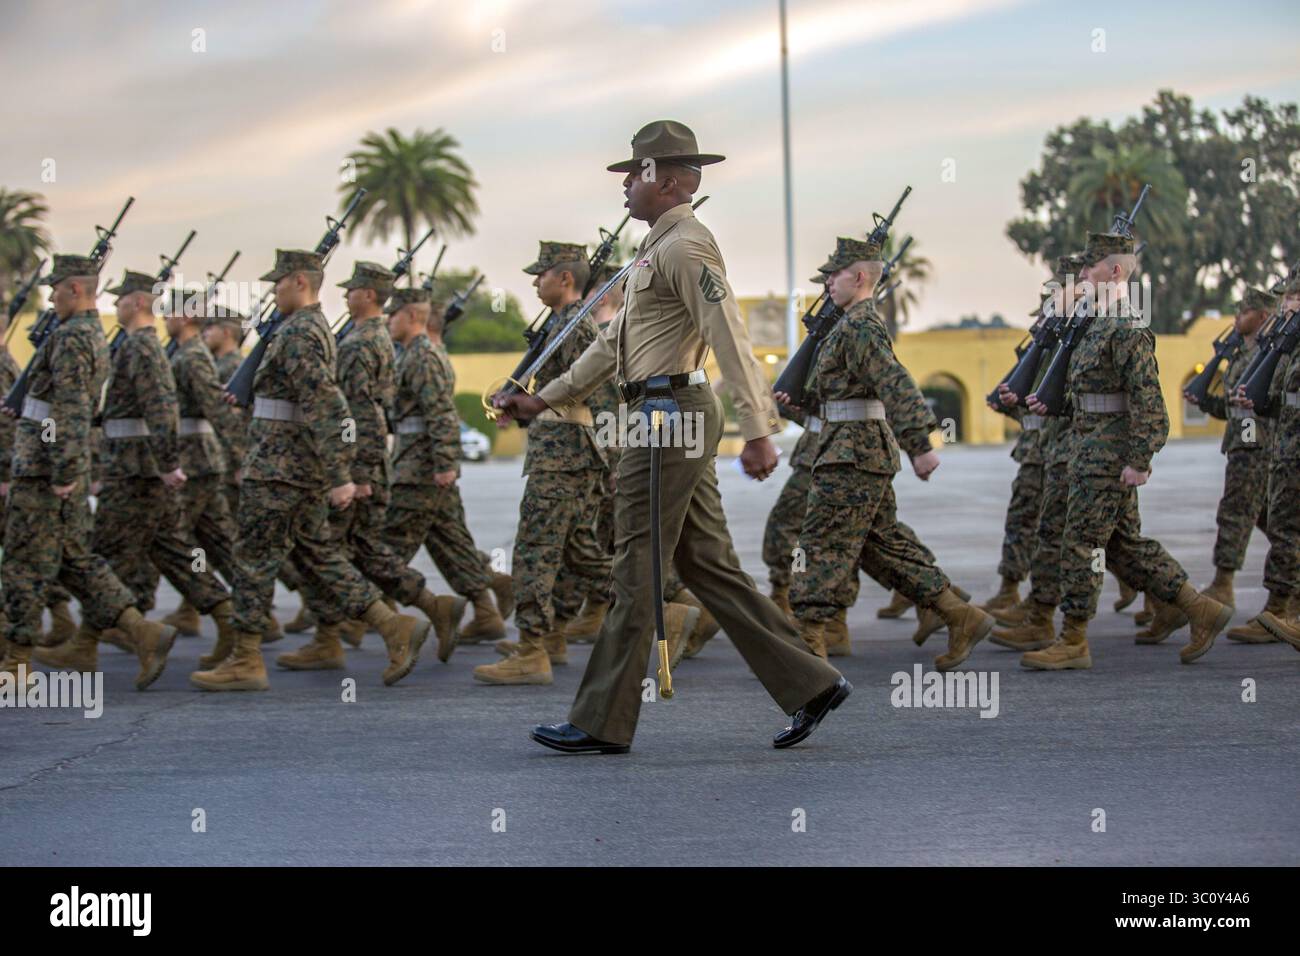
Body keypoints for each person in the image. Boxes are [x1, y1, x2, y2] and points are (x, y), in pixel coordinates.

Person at [494, 120, 848, 753]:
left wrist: (758, 428)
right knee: (706, 564)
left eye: (638, 172)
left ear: (671, 180)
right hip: (663, 414)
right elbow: (610, 347)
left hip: (668, 418)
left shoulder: (686, 247)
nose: (627, 183)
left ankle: (600, 720)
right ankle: (812, 683)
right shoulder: (653, 252)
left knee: (635, 564)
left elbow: (729, 333)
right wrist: (541, 397)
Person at [189, 249, 430, 691]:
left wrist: (341, 474)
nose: (273, 289)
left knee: (253, 557)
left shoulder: (300, 330)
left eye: (279, 282)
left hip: (281, 467)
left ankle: (246, 658)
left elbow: (326, 403)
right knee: (317, 555)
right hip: (290, 464)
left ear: (300, 282)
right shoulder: (304, 327)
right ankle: (392, 625)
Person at [775, 237, 992, 669]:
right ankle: (958, 614)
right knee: (879, 546)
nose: (827, 283)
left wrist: (919, 444)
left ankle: (809, 646)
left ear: (858, 277)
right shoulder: (849, 325)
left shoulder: (859, 326)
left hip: (851, 455)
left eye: (834, 275)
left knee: (819, 545)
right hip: (852, 449)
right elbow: (844, 393)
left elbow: (893, 382)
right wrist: (801, 403)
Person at [1021, 231, 1230, 668]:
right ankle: (1197, 607)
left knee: (1080, 542)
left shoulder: (1126, 326)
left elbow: (1149, 402)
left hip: (1107, 453)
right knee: (1119, 545)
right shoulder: (1097, 322)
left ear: (1115, 271)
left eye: (1090, 266)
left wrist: (1140, 458)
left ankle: (1074, 640)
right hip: (1088, 445)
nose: (1082, 274)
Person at [0, 255, 177, 689]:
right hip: (52, 469)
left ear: (75, 290)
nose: (51, 297)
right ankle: (143, 631)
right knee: (76, 562)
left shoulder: (75, 338)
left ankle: (16, 664)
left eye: (56, 289)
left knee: (23, 563)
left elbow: (71, 411)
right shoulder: (79, 334)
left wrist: (62, 470)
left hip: (44, 473)